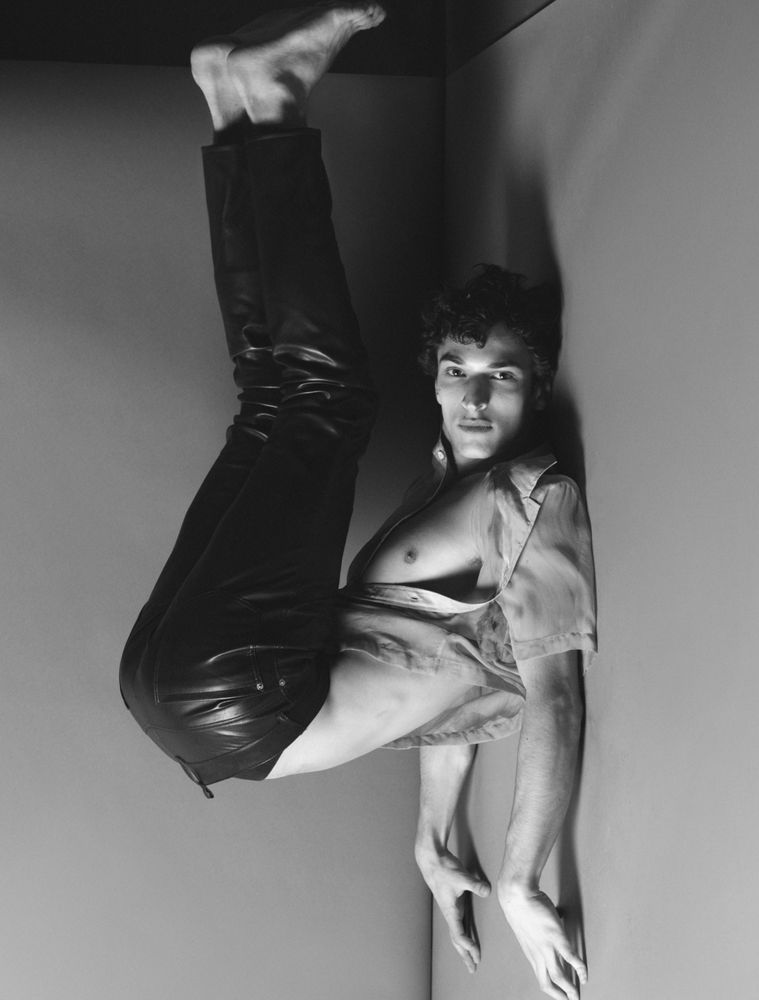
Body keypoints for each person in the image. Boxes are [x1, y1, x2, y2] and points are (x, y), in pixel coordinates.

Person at [119, 6, 595, 999]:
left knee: (319, 398)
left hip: (241, 694)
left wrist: (520, 880)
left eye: (502, 377)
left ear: (537, 390)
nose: (472, 397)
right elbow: (447, 686)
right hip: (192, 691)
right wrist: (433, 840)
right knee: (273, 401)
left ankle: (271, 106)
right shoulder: (444, 493)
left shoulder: (531, 494)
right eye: (456, 371)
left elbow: (553, 692)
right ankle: (235, 110)